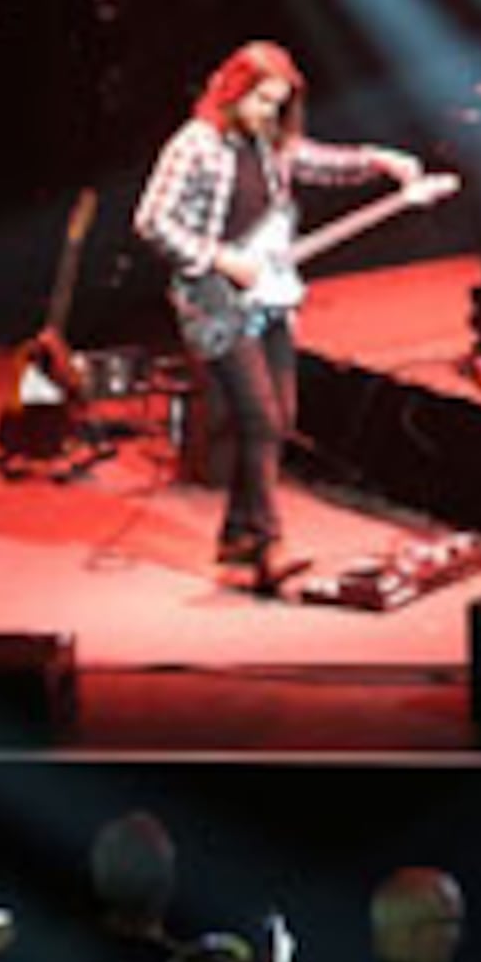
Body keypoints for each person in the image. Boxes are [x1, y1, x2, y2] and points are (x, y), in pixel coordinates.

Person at [133, 39, 426, 589]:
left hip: (268, 297)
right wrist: (218, 257)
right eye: (263, 100)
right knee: (259, 416)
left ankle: (239, 536)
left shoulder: (271, 143)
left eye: (279, 102)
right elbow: (152, 221)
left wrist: (382, 159)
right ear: (234, 91)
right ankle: (269, 546)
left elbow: (322, 163)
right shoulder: (195, 145)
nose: (270, 112)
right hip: (215, 300)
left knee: (280, 416)